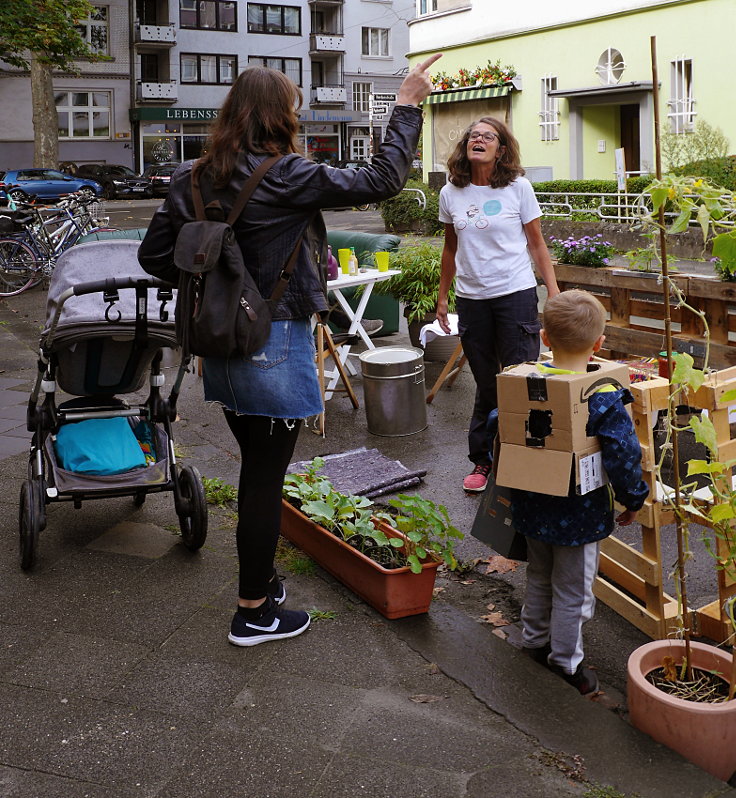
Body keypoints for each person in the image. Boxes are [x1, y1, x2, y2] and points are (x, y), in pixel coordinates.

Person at [137, 56, 440, 647]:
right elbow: (382, 180)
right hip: (271, 340)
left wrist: (225, 285)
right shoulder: (287, 174)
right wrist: (406, 105)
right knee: (263, 480)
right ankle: (253, 612)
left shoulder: (190, 178)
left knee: (257, 467)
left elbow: (155, 258)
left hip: (219, 344)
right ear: (280, 117)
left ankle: (264, 584)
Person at [508, 289, 649, 695]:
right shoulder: (602, 395)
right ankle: (566, 664)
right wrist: (633, 498)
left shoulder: (524, 381)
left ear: (544, 338)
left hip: (531, 504)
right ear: (599, 344)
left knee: (539, 575)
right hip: (580, 515)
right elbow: (622, 455)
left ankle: (533, 641)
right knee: (573, 591)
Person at [435, 117, 560, 494]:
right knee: (486, 382)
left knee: (524, 379)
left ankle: (528, 459)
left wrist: (554, 293)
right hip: (472, 300)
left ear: (501, 148)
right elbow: (450, 247)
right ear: (466, 146)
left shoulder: (518, 188)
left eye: (488, 136)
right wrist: (443, 297)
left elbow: (537, 244)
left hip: (516, 295)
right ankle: (484, 461)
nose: (479, 139)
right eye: (473, 135)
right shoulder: (450, 192)